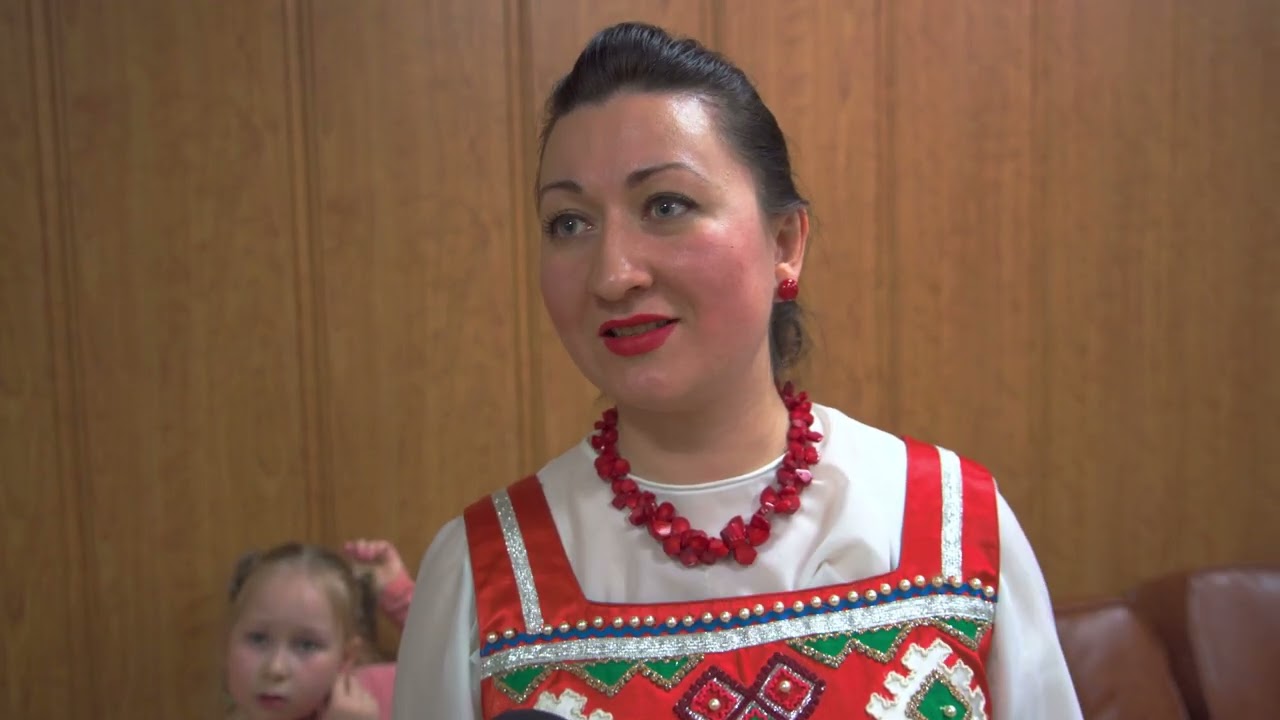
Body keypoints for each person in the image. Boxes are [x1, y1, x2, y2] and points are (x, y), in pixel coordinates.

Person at [393, 21, 1083, 720]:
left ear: (784, 242)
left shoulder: (955, 532)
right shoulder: (484, 578)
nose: (613, 274)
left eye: (667, 206)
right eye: (569, 223)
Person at [224, 541, 413, 720]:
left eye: (306, 645)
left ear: (345, 657)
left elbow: (432, 663)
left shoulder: (384, 689)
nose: (275, 668)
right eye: (257, 639)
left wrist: (400, 595)